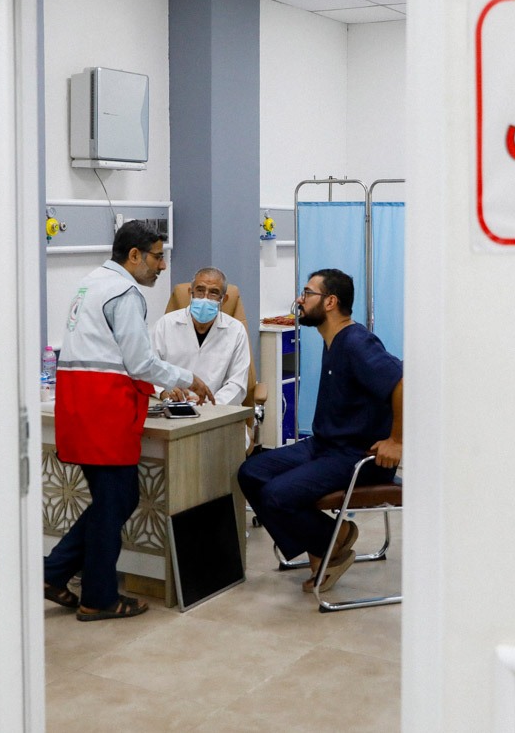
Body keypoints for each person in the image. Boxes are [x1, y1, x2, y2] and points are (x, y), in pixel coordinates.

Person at [43, 220, 215, 621]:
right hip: (103, 408)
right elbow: (139, 362)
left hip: (79, 403)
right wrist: (186, 379)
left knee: (114, 500)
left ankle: (53, 573)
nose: (162, 266)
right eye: (157, 257)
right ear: (134, 255)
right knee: (115, 502)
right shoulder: (124, 292)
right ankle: (97, 597)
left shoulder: (89, 284)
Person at [237, 268, 403, 594]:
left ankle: (327, 545)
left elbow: (400, 382)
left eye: (307, 293)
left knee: (277, 495)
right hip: (325, 446)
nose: (300, 300)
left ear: (330, 302)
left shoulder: (356, 342)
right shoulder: (334, 341)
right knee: (251, 472)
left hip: (357, 456)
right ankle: (331, 541)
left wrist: (396, 441)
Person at [150, 266, 250, 406]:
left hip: (218, 410)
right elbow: (148, 369)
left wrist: (211, 405)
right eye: (200, 290)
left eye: (213, 293)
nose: (205, 298)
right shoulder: (165, 324)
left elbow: (237, 384)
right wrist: (163, 392)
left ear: (224, 299)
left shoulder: (236, 330)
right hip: (174, 406)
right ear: (190, 293)